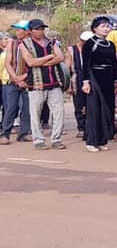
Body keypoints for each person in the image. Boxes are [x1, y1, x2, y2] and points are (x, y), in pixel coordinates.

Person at [19, 19, 65, 150]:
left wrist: (40, 62)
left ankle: (56, 139)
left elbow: (60, 57)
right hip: (36, 83)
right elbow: (30, 62)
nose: (40, 31)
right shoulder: (24, 44)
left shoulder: (52, 42)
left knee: (59, 111)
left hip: (54, 81)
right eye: (37, 29)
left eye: (42, 29)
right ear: (30, 31)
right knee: (35, 113)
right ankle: (38, 140)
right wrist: (49, 57)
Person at [81, 17, 117, 152]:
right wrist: (86, 81)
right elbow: (85, 64)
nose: (106, 29)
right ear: (95, 28)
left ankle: (102, 140)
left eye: (107, 26)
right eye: (103, 26)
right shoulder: (89, 43)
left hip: (108, 79)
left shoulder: (110, 44)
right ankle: (91, 141)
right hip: (94, 78)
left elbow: (114, 64)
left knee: (107, 110)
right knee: (94, 110)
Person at [1, 21, 32, 144]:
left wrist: (23, 77)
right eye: (17, 30)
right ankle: (5, 134)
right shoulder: (12, 43)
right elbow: (8, 63)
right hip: (12, 81)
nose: (17, 32)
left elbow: (34, 64)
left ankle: (24, 133)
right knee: (10, 108)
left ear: (27, 31)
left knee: (26, 109)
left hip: (28, 81)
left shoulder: (32, 44)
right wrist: (16, 77)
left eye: (19, 30)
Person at [65, 31, 93, 139]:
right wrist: (68, 85)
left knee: (91, 103)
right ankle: (81, 127)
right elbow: (67, 69)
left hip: (90, 79)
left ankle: (90, 127)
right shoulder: (71, 51)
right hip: (77, 79)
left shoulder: (92, 49)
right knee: (79, 104)